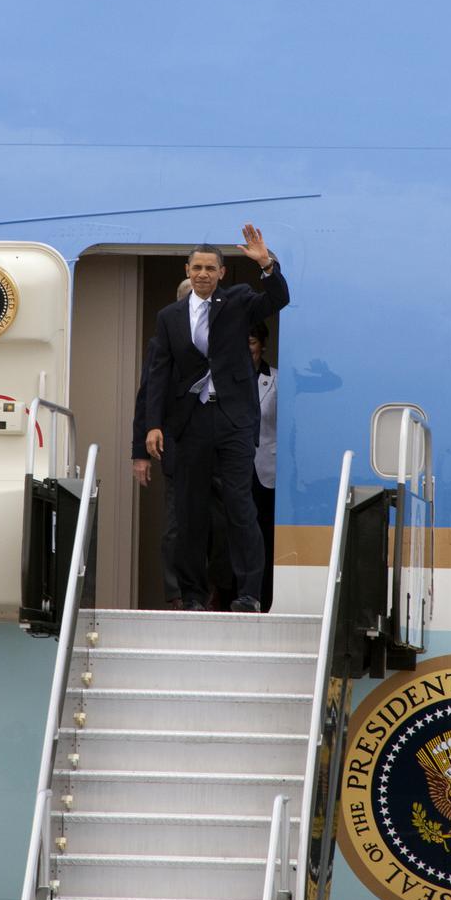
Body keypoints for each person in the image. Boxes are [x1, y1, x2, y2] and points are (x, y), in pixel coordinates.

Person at [145, 225, 290, 612]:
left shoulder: (240, 301)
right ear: (188, 271)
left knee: (240, 507)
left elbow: (278, 298)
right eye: (197, 268)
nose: (204, 274)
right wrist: (153, 424)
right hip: (189, 424)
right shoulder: (169, 317)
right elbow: (158, 374)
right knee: (191, 513)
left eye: (211, 268)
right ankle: (193, 595)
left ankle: (249, 594)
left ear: (222, 273)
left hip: (234, 421)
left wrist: (266, 264)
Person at [132, 279, 192, 609]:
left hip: (216, 445)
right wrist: (139, 453)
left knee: (220, 522)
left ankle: (213, 591)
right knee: (175, 524)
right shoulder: (160, 344)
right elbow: (147, 399)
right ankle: (177, 595)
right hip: (174, 445)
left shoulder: (222, 338)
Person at [249, 321, 277, 613]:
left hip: (266, 471)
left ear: (263, 346)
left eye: (252, 342)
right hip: (233, 469)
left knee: (264, 536)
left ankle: (264, 597)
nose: (248, 349)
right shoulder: (226, 378)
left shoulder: (277, 380)